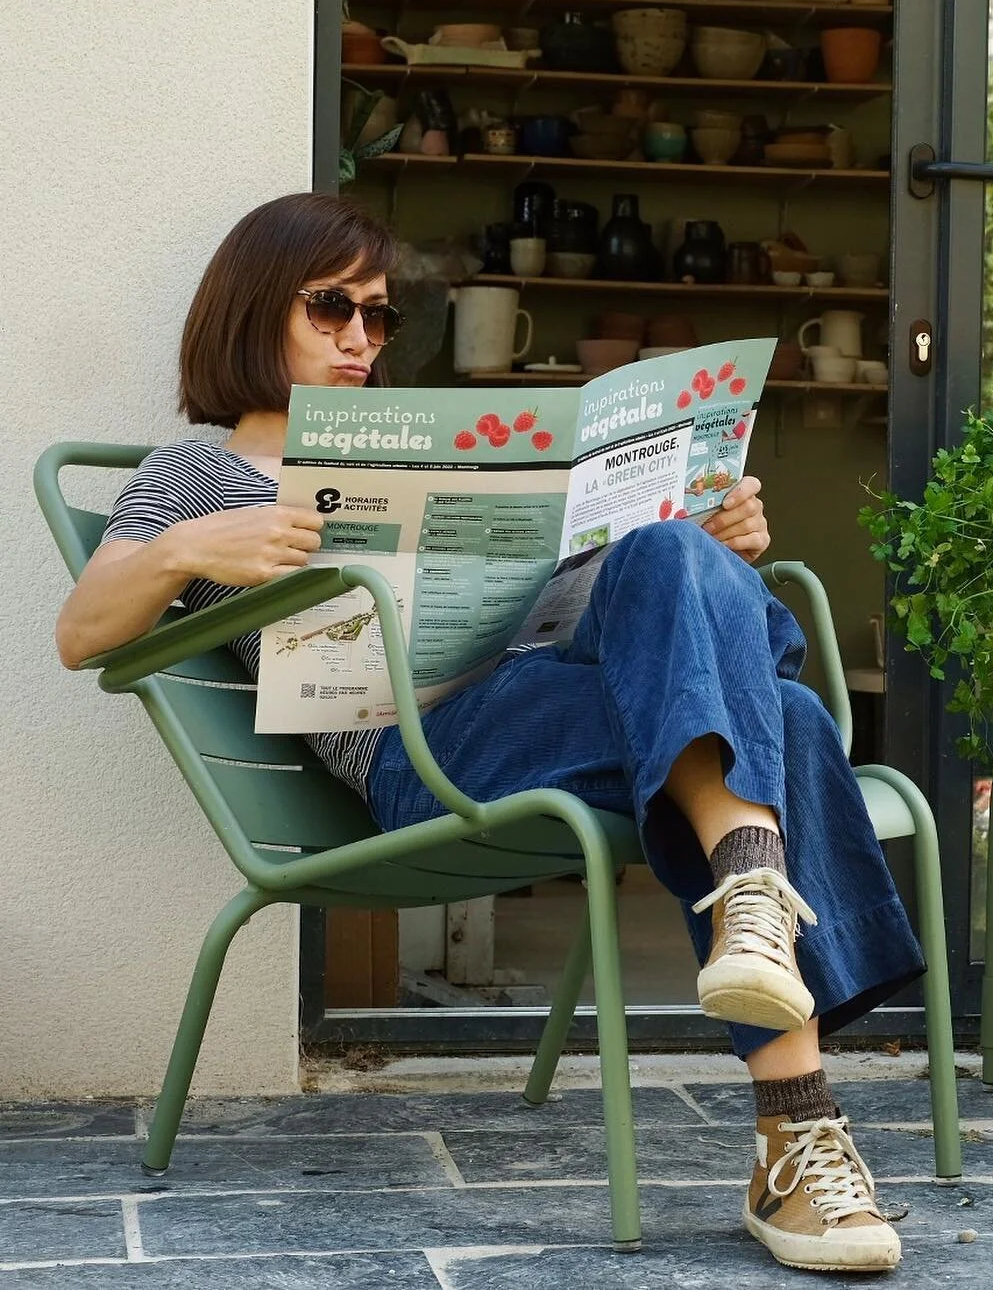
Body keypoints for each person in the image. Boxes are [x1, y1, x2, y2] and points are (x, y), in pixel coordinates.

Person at [55, 192, 925, 1273]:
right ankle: (792, 1108)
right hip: (425, 758)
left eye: (379, 318)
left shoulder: (426, 455)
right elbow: (82, 631)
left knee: (666, 555)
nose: (363, 341)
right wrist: (192, 549)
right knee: (784, 714)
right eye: (332, 311)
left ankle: (763, 952)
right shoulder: (197, 476)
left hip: (546, 700)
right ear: (249, 309)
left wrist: (707, 554)